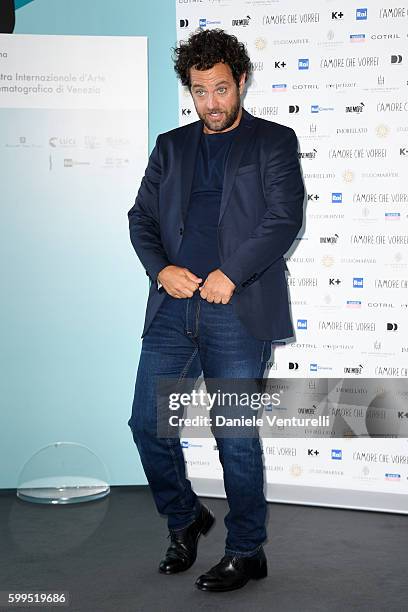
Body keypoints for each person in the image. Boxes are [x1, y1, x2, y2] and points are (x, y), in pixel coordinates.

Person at [127, 28, 304, 592]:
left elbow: (283, 219)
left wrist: (232, 273)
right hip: (174, 307)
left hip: (238, 307)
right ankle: (186, 518)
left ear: (241, 81)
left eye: (221, 89)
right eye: (200, 91)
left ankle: (248, 549)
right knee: (147, 424)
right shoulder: (170, 146)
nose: (211, 103)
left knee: (234, 435)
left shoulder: (273, 141)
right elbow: (142, 219)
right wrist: (161, 270)